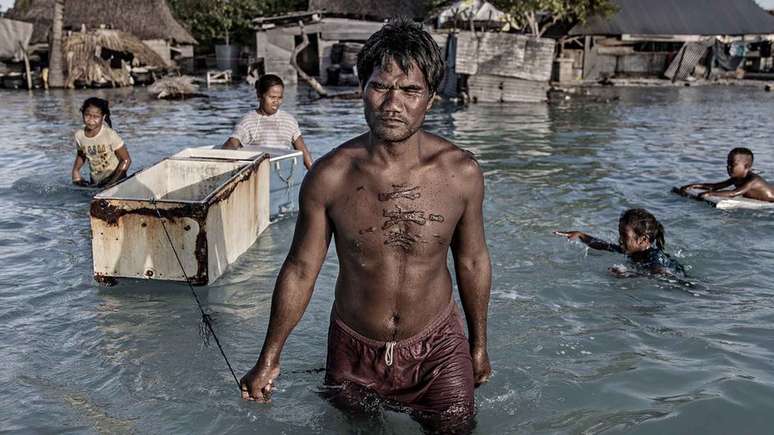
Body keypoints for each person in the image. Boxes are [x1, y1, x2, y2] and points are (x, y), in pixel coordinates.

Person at [239, 19, 492, 430]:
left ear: (430, 100)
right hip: (354, 350)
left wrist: (478, 346)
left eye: (410, 90)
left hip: (439, 349)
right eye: (380, 87)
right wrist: (269, 358)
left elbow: (474, 261)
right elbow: (301, 270)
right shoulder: (330, 176)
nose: (393, 103)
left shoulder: (460, 173)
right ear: (362, 90)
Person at [555, 208, 685, 277]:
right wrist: (580, 235)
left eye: (624, 235)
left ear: (643, 240)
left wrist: (630, 274)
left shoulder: (654, 257)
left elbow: (662, 275)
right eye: (620, 233)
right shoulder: (633, 250)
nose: (620, 239)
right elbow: (605, 246)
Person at [222, 74, 313, 170]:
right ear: (259, 96)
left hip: (283, 173)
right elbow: (231, 144)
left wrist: (313, 172)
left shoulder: (289, 121)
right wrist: (223, 162)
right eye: (272, 97)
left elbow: (302, 150)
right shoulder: (248, 121)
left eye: (279, 98)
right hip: (257, 174)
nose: (276, 101)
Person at [71, 97, 131, 187]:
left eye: (96, 117)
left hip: (116, 178)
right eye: (87, 115)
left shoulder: (109, 134)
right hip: (95, 181)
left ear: (103, 117)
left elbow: (126, 160)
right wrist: (75, 171)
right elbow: (81, 154)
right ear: (82, 114)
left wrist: (112, 183)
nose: (91, 120)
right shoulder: (79, 135)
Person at [679, 147, 774, 202]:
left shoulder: (753, 180)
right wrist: (694, 186)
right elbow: (715, 186)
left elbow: (733, 193)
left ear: (746, 166)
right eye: (727, 164)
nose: (728, 167)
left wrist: (710, 194)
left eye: (732, 165)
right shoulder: (736, 178)